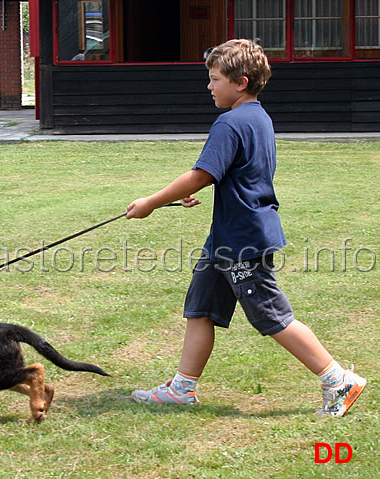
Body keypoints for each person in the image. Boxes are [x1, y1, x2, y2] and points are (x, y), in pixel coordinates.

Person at [125, 39, 366, 417]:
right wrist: (192, 192)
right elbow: (234, 174)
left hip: (242, 239)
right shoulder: (259, 117)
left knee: (271, 316)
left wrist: (151, 203)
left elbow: (202, 174)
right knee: (200, 308)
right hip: (226, 236)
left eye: (214, 78)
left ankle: (338, 380)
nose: (209, 86)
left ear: (241, 81)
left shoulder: (231, 122)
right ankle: (181, 388)